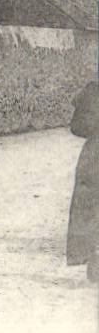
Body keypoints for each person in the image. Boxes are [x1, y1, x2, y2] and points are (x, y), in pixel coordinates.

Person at [66, 80, 99, 282]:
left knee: (89, 208)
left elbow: (77, 127)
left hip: (93, 155)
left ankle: (93, 257)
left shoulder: (92, 89)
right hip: (94, 157)